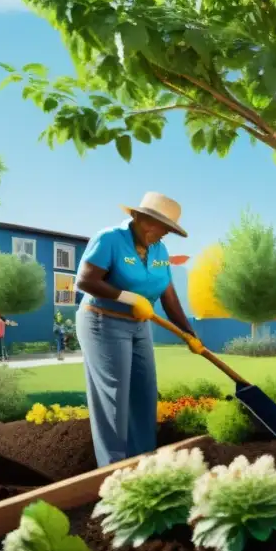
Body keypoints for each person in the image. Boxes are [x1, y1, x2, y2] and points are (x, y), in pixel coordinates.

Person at [74, 192, 198, 467]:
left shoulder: (159, 250)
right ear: (140, 217)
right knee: (115, 398)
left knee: (144, 394)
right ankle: (113, 472)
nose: (164, 234)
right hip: (102, 321)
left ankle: (144, 464)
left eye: (168, 229)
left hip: (140, 325)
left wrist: (189, 334)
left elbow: (169, 296)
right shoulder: (110, 239)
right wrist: (129, 298)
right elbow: (85, 280)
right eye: (161, 226)